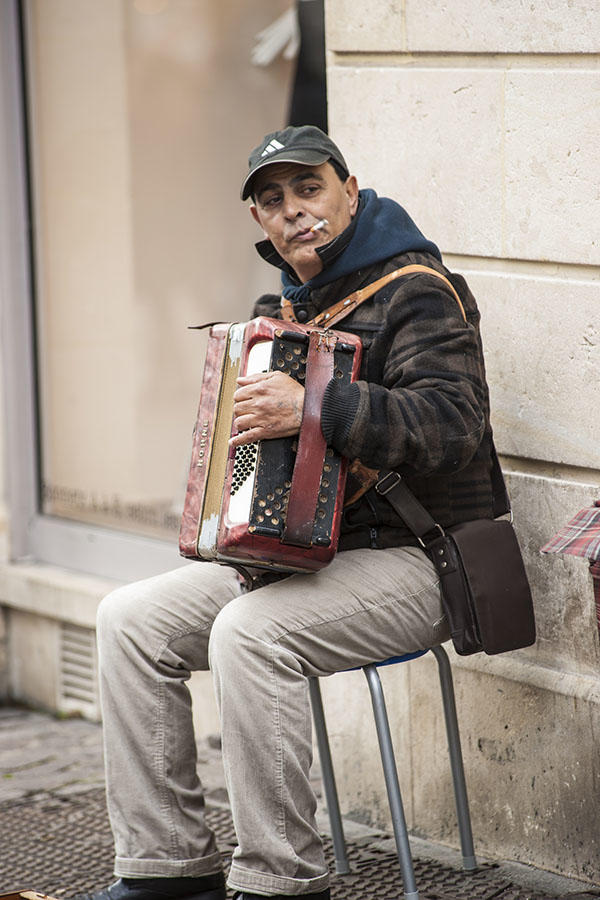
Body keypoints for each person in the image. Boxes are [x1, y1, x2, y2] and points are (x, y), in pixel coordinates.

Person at [81, 125, 496, 900]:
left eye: (309, 189)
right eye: (273, 200)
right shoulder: (278, 312)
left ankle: (281, 881)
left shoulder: (418, 290)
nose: (295, 211)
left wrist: (316, 405)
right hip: (304, 559)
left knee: (249, 633)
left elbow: (451, 427)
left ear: (348, 188)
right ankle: (168, 870)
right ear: (258, 222)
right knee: (127, 619)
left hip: (419, 559)